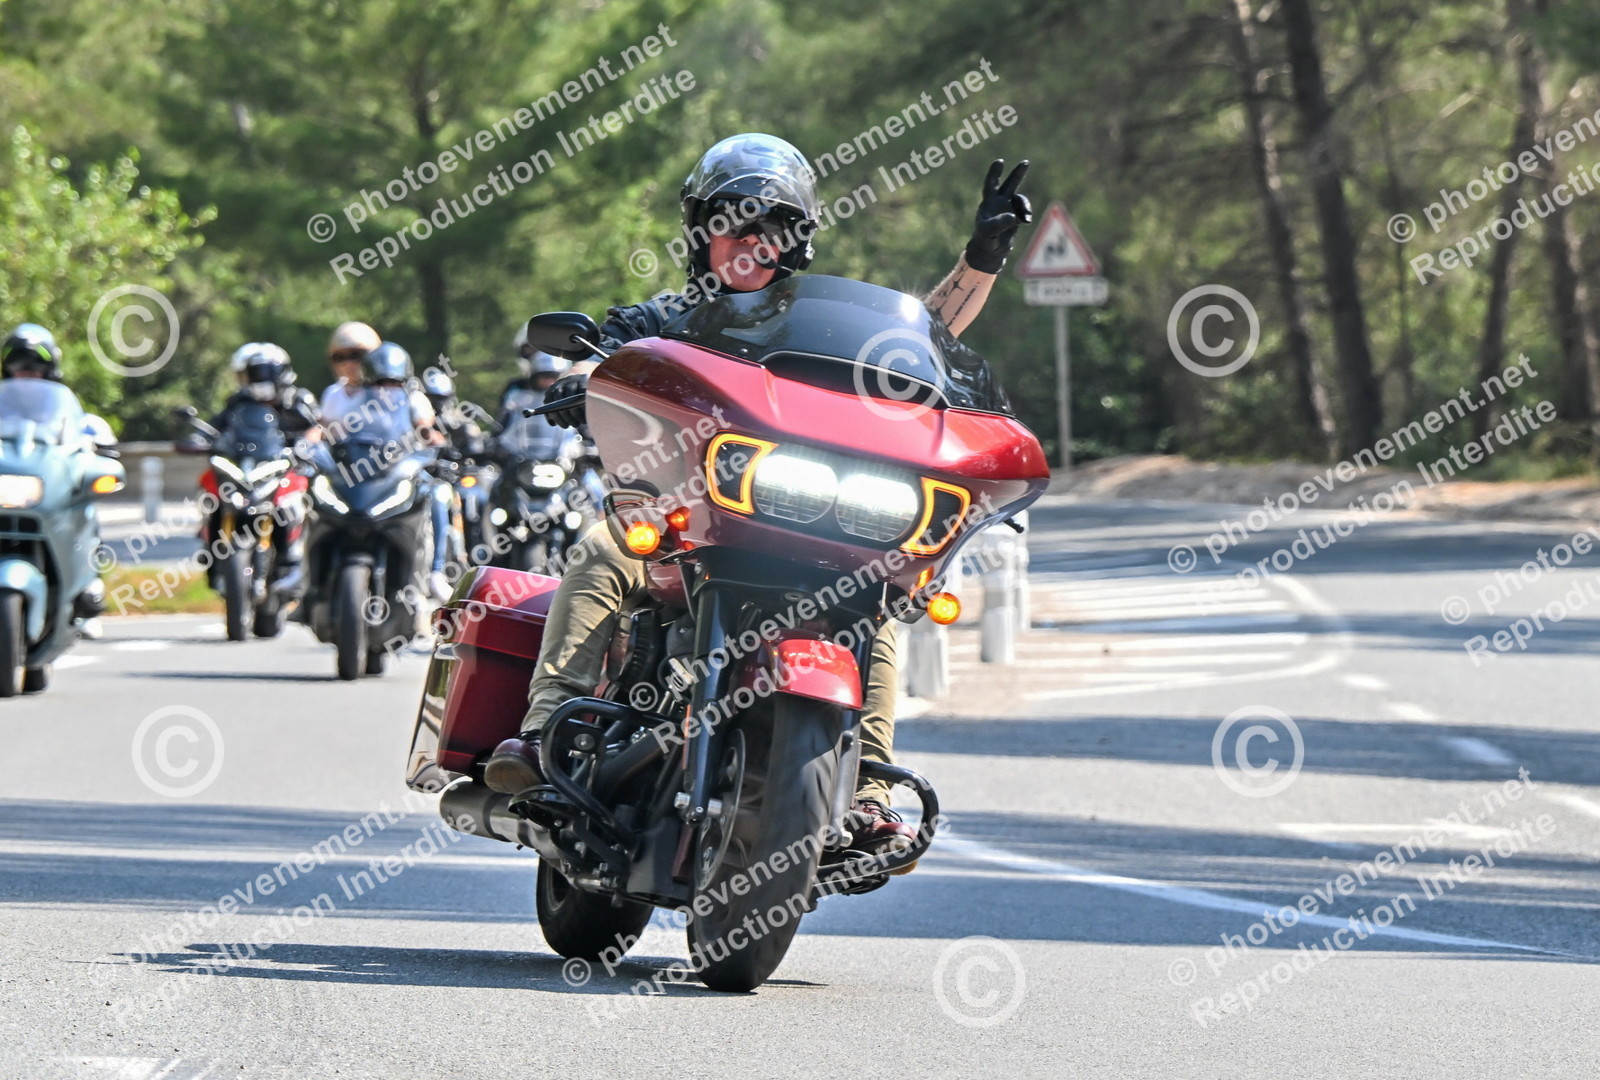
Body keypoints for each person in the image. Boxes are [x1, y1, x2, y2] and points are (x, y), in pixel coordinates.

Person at [487, 134, 1032, 865]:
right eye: (733, 224)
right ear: (702, 234)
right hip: (689, 525)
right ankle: (547, 732)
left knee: (878, 598)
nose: (750, 241)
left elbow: (928, 337)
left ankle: (866, 792)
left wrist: (982, 258)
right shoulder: (667, 320)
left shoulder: (828, 332)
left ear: (794, 242)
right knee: (603, 548)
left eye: (770, 227)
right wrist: (583, 379)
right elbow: (606, 356)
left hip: (808, 526)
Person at [330, 342, 454, 601]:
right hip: (364, 473)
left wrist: (438, 444)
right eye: (380, 381)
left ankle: (436, 572)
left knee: (439, 495)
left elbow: (425, 430)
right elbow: (337, 430)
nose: (387, 387)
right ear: (369, 380)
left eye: (394, 382)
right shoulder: (356, 400)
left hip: (402, 470)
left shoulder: (414, 399)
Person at [320, 321, 381, 435]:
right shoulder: (333, 394)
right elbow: (321, 428)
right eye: (340, 357)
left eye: (355, 355)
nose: (348, 364)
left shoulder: (386, 391)